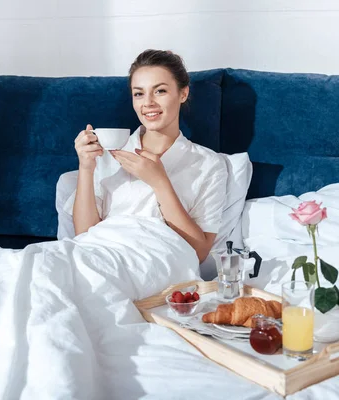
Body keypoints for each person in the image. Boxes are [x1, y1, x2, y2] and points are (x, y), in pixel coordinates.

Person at [71, 49, 227, 263]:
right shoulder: (109, 152)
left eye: (160, 91)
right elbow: (83, 236)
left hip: (153, 265)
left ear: (183, 94)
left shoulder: (209, 164)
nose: (148, 103)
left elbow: (199, 252)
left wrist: (159, 182)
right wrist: (86, 168)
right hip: (97, 256)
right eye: (139, 93)